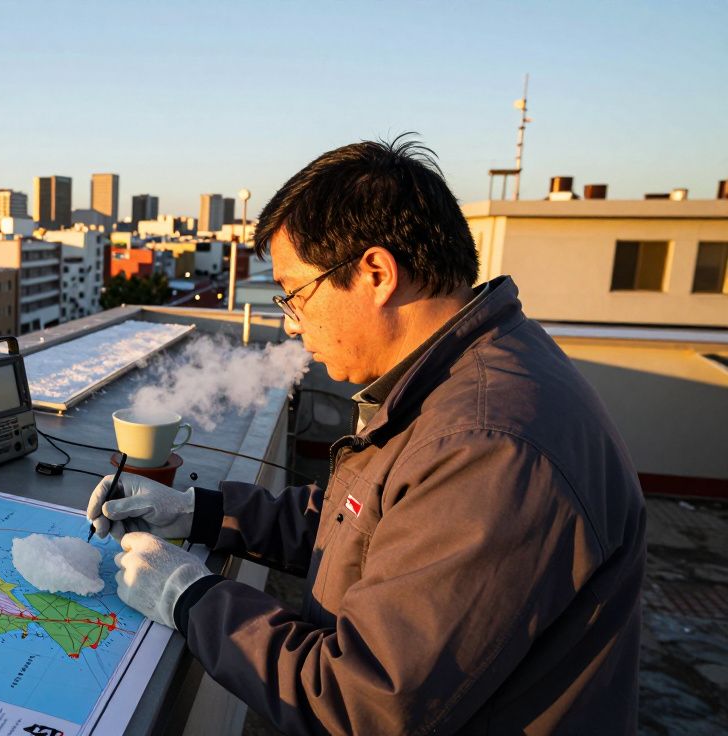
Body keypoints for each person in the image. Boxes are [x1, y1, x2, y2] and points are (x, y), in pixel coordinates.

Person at [87, 137, 646, 735]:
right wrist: (198, 512)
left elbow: (364, 703)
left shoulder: (487, 447)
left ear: (376, 273)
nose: (290, 323)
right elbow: (366, 526)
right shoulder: (461, 379)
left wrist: (190, 597)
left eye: (295, 294)